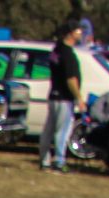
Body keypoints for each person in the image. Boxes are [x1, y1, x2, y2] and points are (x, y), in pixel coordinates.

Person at [40, 20, 82, 171]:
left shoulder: (56, 50)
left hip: (53, 95)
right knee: (62, 131)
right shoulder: (68, 54)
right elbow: (71, 79)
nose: (80, 33)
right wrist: (79, 97)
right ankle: (59, 162)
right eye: (78, 30)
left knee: (48, 130)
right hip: (64, 98)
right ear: (70, 33)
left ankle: (44, 161)